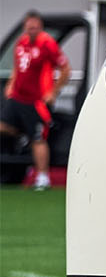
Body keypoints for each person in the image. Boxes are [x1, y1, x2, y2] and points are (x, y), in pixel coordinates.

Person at [2, 11, 72, 190]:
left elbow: (65, 69)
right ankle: (23, 136)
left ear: (40, 27)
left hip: (36, 102)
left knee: (38, 138)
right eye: (28, 27)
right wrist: (11, 84)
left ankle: (42, 177)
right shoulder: (21, 43)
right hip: (17, 98)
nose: (31, 30)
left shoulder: (47, 44)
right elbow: (18, 67)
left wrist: (53, 92)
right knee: (3, 126)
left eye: (34, 27)